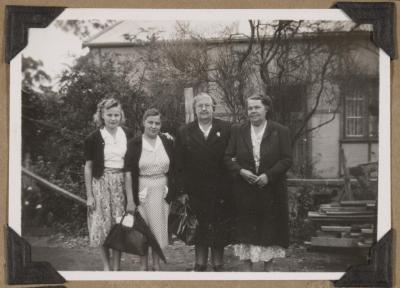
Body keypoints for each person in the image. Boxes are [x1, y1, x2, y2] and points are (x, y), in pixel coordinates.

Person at [224, 94, 292, 271]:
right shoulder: (238, 130)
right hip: (245, 193)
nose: (252, 111)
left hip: (271, 191)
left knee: (269, 232)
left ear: (266, 109)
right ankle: (248, 273)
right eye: (250, 108)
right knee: (246, 234)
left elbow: (287, 159)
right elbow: (227, 157)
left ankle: (268, 271)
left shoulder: (280, 130)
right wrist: (241, 171)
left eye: (257, 107)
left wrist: (269, 176)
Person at [175, 92, 233, 271]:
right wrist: (182, 191)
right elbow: (179, 164)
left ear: (213, 108)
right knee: (199, 230)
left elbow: (231, 158)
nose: (204, 109)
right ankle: (199, 265)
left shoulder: (226, 128)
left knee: (218, 229)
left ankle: (218, 265)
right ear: (195, 109)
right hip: (195, 191)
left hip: (220, 190)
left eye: (207, 105)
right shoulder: (184, 131)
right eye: (200, 106)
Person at [124, 108, 176, 271]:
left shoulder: (167, 141)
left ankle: (157, 265)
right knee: (143, 229)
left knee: (158, 230)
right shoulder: (135, 143)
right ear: (143, 123)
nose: (154, 126)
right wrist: (131, 200)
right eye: (150, 122)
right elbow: (127, 173)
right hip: (143, 191)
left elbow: (174, 167)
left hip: (162, 191)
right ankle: (143, 266)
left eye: (157, 123)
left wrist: (172, 189)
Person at [84, 98, 133, 271]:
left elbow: (133, 160)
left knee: (118, 225)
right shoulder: (93, 138)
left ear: (121, 116)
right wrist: (89, 195)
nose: (113, 118)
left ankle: (116, 266)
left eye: (116, 115)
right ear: (102, 116)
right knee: (102, 226)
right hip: (101, 183)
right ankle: (106, 266)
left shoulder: (127, 134)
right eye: (109, 115)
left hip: (121, 183)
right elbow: (88, 167)